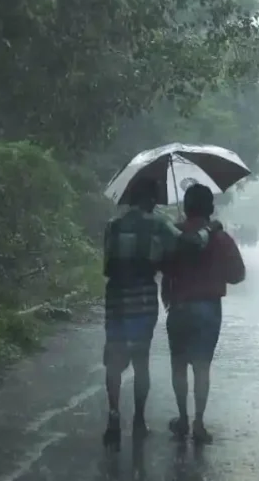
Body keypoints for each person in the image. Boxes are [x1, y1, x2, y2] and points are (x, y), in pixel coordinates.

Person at [101, 176, 223, 446]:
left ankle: (113, 414)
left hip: (115, 300)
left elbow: (107, 266)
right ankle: (139, 421)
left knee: (114, 358)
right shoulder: (158, 224)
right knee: (140, 360)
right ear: (151, 199)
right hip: (142, 299)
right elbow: (190, 244)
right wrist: (211, 229)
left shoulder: (112, 225)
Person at [161, 184, 245, 444]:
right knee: (201, 367)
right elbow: (238, 275)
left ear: (186, 206)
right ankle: (199, 422)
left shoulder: (176, 234)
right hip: (208, 309)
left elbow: (162, 266)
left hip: (179, 307)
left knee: (178, 365)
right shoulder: (221, 238)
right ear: (211, 208)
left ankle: (182, 418)